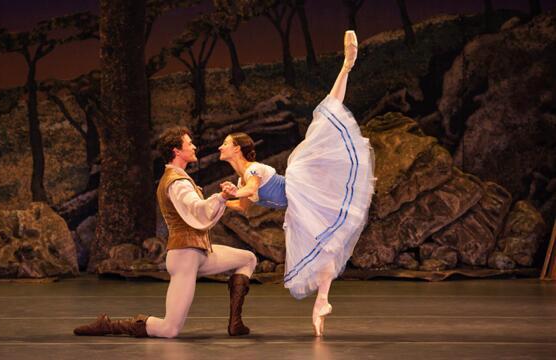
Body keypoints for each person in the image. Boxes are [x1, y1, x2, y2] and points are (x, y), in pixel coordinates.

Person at [218, 31, 375, 336]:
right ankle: (322, 302)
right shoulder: (242, 176)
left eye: (225, 143)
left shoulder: (254, 169)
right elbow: (245, 206)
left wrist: (236, 192)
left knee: (323, 120)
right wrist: (222, 202)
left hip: (300, 185)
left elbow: (250, 189)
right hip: (296, 207)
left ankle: (346, 66)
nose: (221, 147)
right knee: (324, 248)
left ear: (236, 148)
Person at [73, 127, 257, 338]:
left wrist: (225, 199)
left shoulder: (180, 178)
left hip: (198, 252)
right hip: (185, 256)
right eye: (189, 144)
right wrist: (222, 197)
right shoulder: (176, 182)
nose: (194, 146)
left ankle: (236, 323)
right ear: (176, 151)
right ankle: (109, 326)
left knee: (247, 259)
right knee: (169, 329)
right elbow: (198, 210)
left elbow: (199, 215)